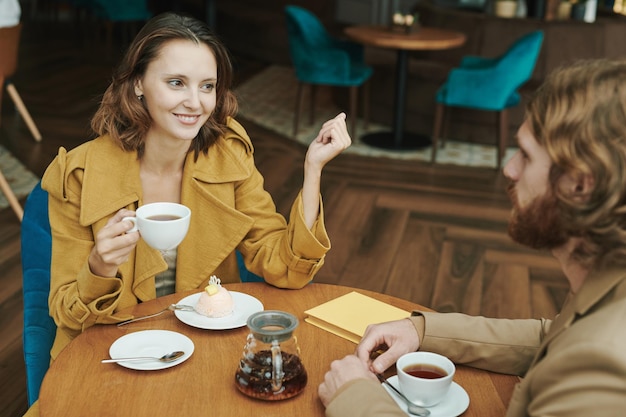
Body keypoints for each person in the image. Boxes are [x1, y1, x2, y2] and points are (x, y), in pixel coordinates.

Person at [319, 58, 626, 416]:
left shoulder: (603, 368)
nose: (509, 169)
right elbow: (551, 339)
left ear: (579, 184)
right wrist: (421, 331)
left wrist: (354, 396)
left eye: (526, 156)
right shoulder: (606, 283)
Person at [40, 12, 351, 362]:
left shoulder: (228, 156)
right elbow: (66, 313)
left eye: (207, 86)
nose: (195, 102)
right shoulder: (80, 173)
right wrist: (100, 265)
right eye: (176, 82)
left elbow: (286, 269)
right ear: (138, 83)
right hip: (109, 353)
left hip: (204, 349)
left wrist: (313, 169)